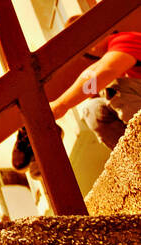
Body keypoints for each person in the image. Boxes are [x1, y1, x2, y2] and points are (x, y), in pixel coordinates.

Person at [12, 28, 141, 172]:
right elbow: (93, 72)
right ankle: (134, 161)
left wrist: (60, 106)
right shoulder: (110, 54)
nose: (87, 48)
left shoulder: (124, 39)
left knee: (115, 87)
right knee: (92, 110)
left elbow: (104, 71)